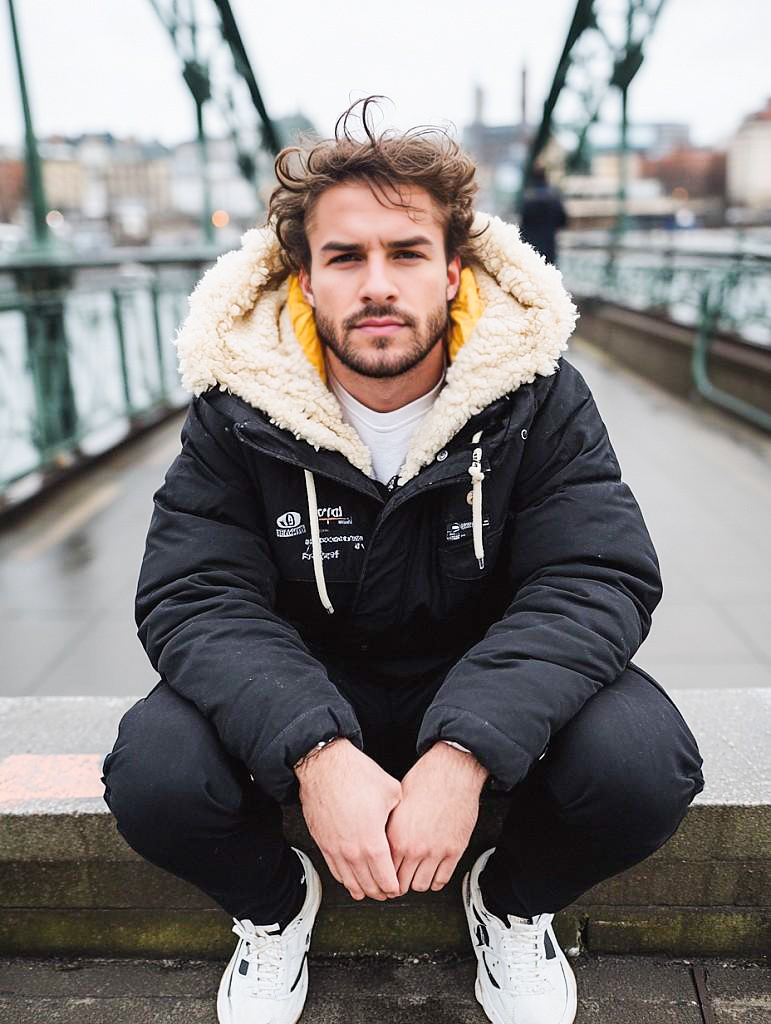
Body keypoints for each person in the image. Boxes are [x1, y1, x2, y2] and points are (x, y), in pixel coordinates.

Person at [102, 99, 703, 1024]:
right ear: (304, 280)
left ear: (452, 270)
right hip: (311, 683)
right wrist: (313, 749)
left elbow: (593, 579)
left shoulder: (539, 400)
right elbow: (195, 595)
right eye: (345, 256)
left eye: (406, 253)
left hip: (480, 673)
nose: (376, 282)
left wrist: (467, 751)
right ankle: (274, 906)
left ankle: (509, 902)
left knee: (642, 764)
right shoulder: (234, 412)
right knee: (153, 775)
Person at [518, 165, 568, 266]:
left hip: (530, 248)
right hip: (549, 246)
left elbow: (523, 222)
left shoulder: (527, 197)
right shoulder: (554, 197)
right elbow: (563, 221)